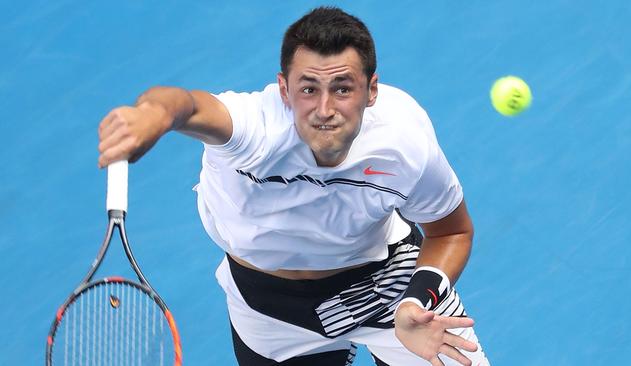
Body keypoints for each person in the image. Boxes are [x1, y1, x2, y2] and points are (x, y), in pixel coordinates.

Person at [98, 6, 490, 366]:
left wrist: (416, 301)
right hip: (272, 313)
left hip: (386, 285)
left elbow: (451, 230)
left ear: (372, 90)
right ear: (284, 90)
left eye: (342, 88)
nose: (324, 110)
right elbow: (186, 104)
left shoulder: (403, 140)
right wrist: (153, 115)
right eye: (308, 89)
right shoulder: (255, 131)